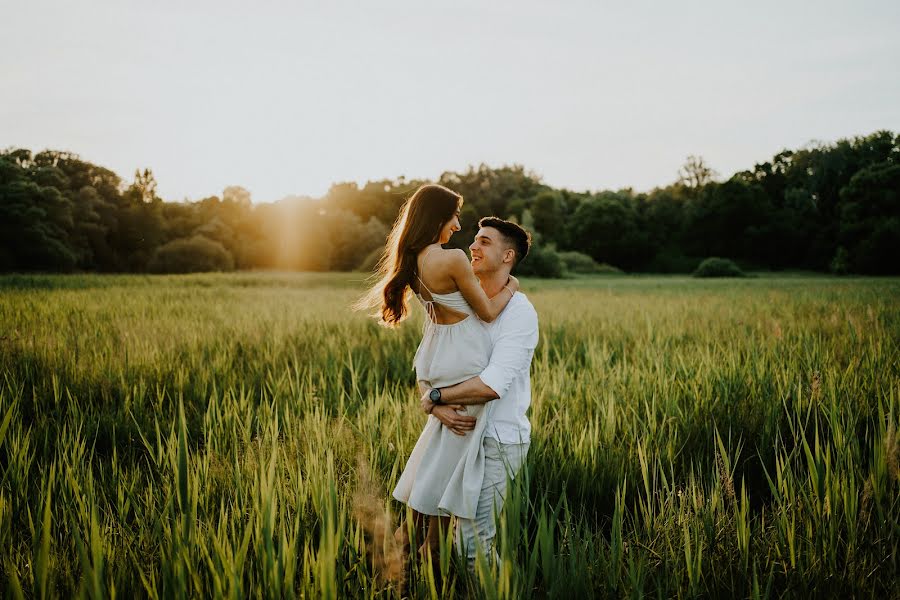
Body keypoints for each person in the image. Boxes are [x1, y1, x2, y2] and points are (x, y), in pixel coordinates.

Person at [356, 184, 519, 559]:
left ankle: (415, 543)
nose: (458, 225)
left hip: (438, 355)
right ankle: (429, 549)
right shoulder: (452, 259)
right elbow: (488, 312)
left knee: (442, 451)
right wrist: (510, 286)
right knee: (452, 461)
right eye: (455, 217)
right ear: (438, 218)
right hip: (466, 357)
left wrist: (433, 401)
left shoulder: (412, 260)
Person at [418, 217, 537, 570]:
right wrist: (433, 402)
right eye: (474, 239)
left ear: (507, 256)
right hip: (456, 434)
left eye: (484, 241)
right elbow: (427, 368)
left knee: (471, 544)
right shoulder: (461, 302)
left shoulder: (519, 313)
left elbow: (491, 385)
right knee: (432, 535)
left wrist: (438, 397)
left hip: (496, 440)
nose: (472, 246)